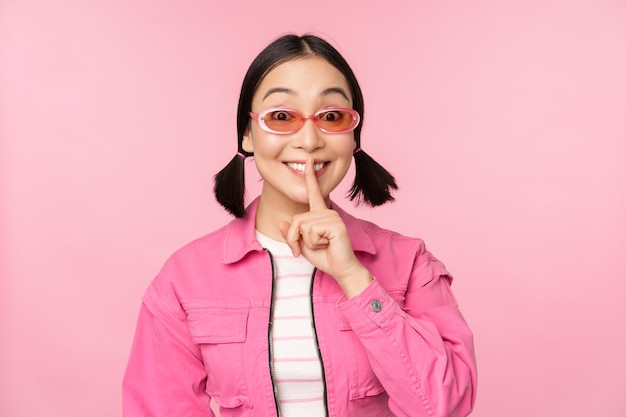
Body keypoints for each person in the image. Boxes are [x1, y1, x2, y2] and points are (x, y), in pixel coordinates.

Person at [123, 33, 477, 417]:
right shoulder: (185, 278)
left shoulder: (409, 263)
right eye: (281, 117)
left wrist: (352, 276)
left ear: (353, 135)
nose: (308, 140)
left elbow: (444, 406)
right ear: (247, 133)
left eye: (331, 117)